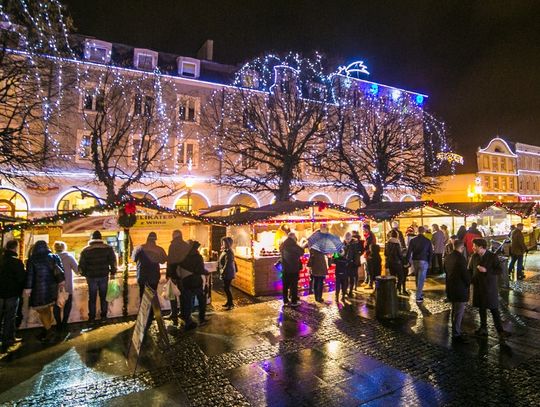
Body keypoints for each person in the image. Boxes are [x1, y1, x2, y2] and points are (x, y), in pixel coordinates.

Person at [469, 238, 510, 338]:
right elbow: (470, 270)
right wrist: (470, 281)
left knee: (494, 309)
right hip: (478, 286)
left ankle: (500, 330)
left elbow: (499, 270)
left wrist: (487, 270)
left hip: (489, 287)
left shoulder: (492, 256)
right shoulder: (474, 256)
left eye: (474, 246)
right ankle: (483, 329)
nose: (473, 248)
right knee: (481, 308)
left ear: (481, 247)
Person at [25, 241, 65, 342]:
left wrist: (28, 289)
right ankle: (48, 329)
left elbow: (30, 276)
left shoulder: (32, 259)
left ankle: (49, 332)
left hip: (38, 290)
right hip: (52, 289)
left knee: (42, 311)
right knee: (46, 310)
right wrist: (61, 285)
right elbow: (60, 272)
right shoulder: (54, 257)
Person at [78, 231, 117, 323]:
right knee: (104, 297)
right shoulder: (108, 248)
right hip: (104, 275)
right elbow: (113, 262)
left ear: (92, 239)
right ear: (100, 238)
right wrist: (112, 273)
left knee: (92, 297)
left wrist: (85, 274)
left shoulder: (85, 250)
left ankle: (92, 317)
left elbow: (81, 265)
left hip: (91, 277)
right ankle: (104, 316)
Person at [0, 240, 26, 352]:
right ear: (15, 248)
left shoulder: (1, 260)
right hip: (12, 293)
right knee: (9, 317)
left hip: (0, 293)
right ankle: (8, 339)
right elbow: (21, 279)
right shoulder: (17, 263)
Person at [444, 240, 471, 342]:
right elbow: (465, 275)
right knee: (459, 312)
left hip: (451, 287)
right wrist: (469, 282)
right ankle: (456, 334)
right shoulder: (461, 259)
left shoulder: (448, 257)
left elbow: (446, 271)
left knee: (454, 311)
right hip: (460, 289)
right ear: (462, 248)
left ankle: (456, 330)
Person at [179, 240, 209, 330]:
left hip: (186, 282)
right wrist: (206, 272)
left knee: (187, 302)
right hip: (196, 282)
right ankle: (202, 318)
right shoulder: (198, 257)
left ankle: (188, 320)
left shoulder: (183, 256)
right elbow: (200, 270)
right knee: (201, 300)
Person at [166, 230, 192, 326]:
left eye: (172, 235)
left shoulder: (172, 245)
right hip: (184, 274)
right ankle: (183, 312)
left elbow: (170, 260)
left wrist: (169, 274)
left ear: (174, 236)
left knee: (172, 294)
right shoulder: (186, 245)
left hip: (174, 274)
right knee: (182, 294)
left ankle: (174, 313)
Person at [132, 232, 167, 299]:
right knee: (152, 295)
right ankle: (152, 309)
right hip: (154, 276)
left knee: (142, 295)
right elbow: (163, 261)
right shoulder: (159, 249)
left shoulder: (139, 248)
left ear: (147, 239)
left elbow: (134, 259)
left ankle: (143, 309)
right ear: (155, 240)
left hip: (142, 276)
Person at [52, 241, 78, 332]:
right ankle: (64, 323)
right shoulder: (69, 257)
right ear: (64, 248)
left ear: (54, 248)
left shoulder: (51, 258)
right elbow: (78, 270)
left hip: (55, 286)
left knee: (56, 306)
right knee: (67, 305)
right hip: (67, 286)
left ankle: (58, 324)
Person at [406, 226, 433, 303]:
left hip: (415, 260)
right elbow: (431, 252)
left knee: (418, 277)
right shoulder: (427, 241)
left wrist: (407, 261)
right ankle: (418, 297)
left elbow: (409, 251)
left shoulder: (413, 240)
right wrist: (430, 262)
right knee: (421, 278)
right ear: (424, 231)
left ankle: (419, 293)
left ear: (417, 231)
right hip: (424, 260)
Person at [279, 232, 304, 307]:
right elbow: (301, 252)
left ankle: (285, 300)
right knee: (294, 285)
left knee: (285, 285)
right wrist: (300, 245)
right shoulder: (294, 245)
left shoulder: (283, 245)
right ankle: (294, 301)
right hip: (293, 269)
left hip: (285, 268)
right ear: (293, 237)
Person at [218, 236, 236, 310]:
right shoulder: (226, 250)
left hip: (228, 272)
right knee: (226, 287)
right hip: (226, 272)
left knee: (226, 288)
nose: (223, 244)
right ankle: (229, 302)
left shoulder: (229, 252)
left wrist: (223, 272)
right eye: (222, 242)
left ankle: (230, 302)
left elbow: (227, 263)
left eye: (224, 242)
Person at [385, 230, 405, 295]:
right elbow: (399, 254)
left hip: (390, 263)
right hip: (397, 263)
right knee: (401, 277)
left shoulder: (387, 243)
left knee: (392, 277)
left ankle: (393, 290)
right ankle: (398, 289)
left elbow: (385, 254)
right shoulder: (397, 243)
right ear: (397, 236)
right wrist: (404, 261)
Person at [344, 232, 363, 296]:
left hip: (352, 263)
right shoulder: (351, 243)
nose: (347, 241)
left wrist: (352, 260)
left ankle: (351, 290)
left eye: (347, 240)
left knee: (351, 276)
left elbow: (353, 254)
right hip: (350, 263)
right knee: (349, 277)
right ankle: (348, 290)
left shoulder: (353, 244)